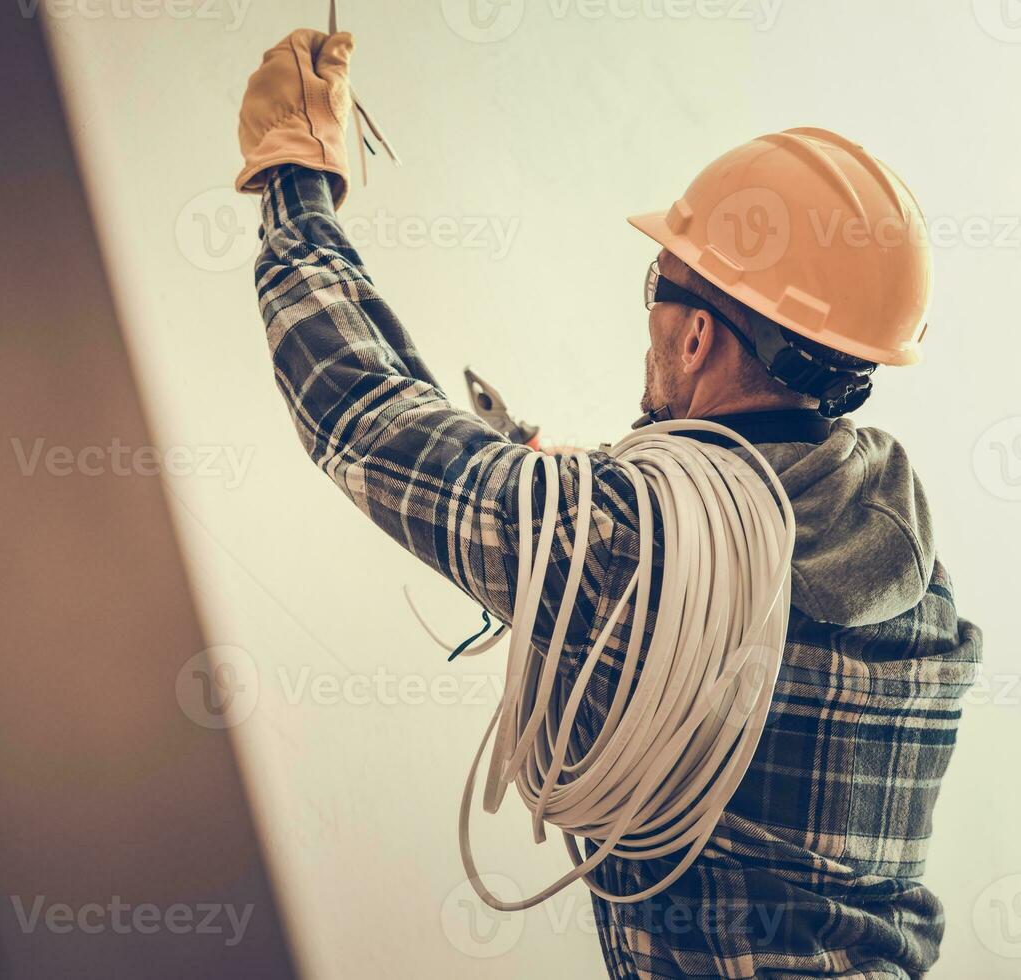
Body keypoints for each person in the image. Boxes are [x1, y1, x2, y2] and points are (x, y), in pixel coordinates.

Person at [235, 29, 982, 980]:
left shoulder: (621, 551)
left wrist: (297, 182)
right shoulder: (926, 600)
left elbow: (360, 410)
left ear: (700, 335)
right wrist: (574, 499)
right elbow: (720, 569)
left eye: (658, 290)